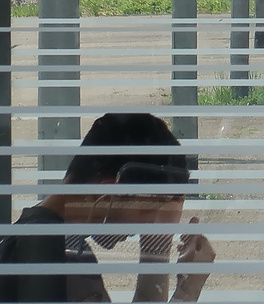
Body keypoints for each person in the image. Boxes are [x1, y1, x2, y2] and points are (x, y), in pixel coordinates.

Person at [1, 112, 214, 302]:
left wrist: (157, 246)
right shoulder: (56, 256)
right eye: (146, 209)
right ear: (107, 194)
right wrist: (187, 292)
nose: (148, 224)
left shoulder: (44, 239)